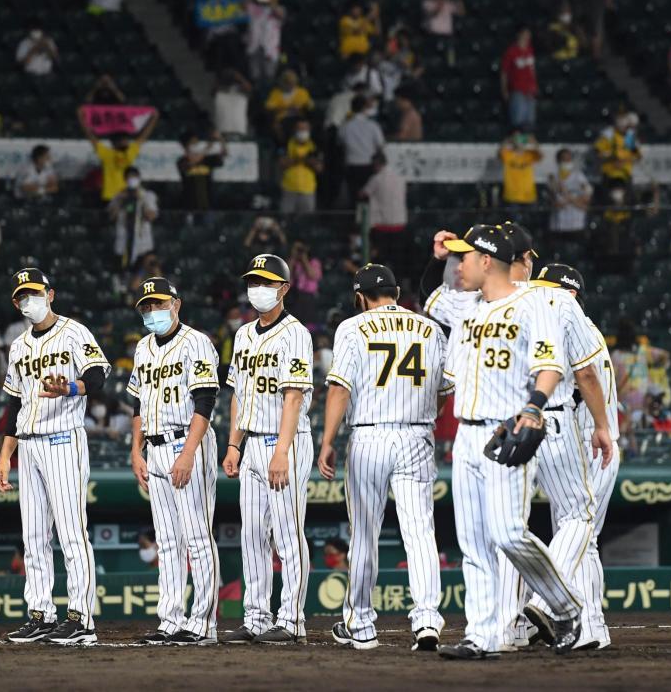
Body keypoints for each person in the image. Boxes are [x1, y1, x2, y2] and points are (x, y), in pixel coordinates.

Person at [422, 225, 601, 658]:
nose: (458, 265)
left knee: (508, 533)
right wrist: (437, 257)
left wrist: (535, 406)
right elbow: (431, 297)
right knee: (474, 542)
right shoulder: (469, 306)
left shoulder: (533, 303)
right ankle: (481, 636)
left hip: (507, 430)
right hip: (466, 435)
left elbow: (550, 365)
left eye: (464, 258)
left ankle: (564, 605)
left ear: (487, 261)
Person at [319, 263, 450, 651]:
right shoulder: (430, 328)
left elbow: (339, 389)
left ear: (360, 297)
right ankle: (427, 620)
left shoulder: (351, 328)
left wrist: (327, 440)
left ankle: (360, 624)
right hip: (416, 435)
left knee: (364, 535)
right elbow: (444, 390)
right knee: (420, 532)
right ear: (396, 292)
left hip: (370, 437)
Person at [0, 268, 110, 644]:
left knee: (72, 533)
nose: (30, 300)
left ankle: (82, 619)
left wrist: (72, 388)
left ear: (51, 294)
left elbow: (97, 375)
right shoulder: (17, 346)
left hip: (63, 440)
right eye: (23, 295)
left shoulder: (74, 331)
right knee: (34, 536)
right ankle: (41, 613)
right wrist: (4, 456)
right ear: (16, 303)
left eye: (35, 292)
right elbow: (14, 406)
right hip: (27, 445)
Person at [220, 254, 314, 645]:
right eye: (253, 280)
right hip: (252, 442)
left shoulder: (296, 333)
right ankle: (257, 617)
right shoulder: (242, 335)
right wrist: (233, 444)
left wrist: (281, 451)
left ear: (284, 288)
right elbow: (239, 396)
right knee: (253, 535)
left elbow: (293, 397)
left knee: (288, 534)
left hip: (283, 442)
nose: (258, 287)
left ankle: (291, 620)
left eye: (266, 281)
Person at [528, 263, 620, 651]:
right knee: (585, 540)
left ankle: (545, 602)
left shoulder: (572, 328)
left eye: (548, 289)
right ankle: (592, 628)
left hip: (590, 445)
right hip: (587, 444)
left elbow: (580, 385)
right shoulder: (579, 329)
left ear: (568, 294)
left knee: (577, 529)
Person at [129, 276, 221, 645]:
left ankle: (203, 624)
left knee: (198, 538)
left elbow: (205, 402)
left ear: (176, 304)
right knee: (167, 541)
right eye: (147, 306)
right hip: (154, 445)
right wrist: (135, 449)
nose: (153, 311)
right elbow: (137, 403)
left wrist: (188, 453)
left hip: (188, 442)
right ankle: (170, 620)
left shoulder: (196, 343)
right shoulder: (141, 348)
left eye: (159, 304)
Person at [79, 107, 160, 202]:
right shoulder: (107, 153)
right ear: (115, 143)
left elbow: (143, 137)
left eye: (126, 140)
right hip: (110, 197)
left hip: (126, 196)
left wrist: (153, 119)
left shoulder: (129, 153)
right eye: (123, 140)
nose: (126, 142)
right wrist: (81, 118)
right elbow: (90, 136)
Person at [359, 150, 408, 271]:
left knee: (380, 259)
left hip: (382, 225)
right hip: (399, 224)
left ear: (376, 164)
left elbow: (363, 194)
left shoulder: (376, 179)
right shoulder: (400, 178)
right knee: (396, 260)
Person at [338, 95, 385, 207]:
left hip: (352, 166)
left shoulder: (345, 126)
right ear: (365, 107)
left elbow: (340, 143)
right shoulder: (373, 126)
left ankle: (357, 222)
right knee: (369, 198)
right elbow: (381, 145)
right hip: (368, 165)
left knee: (355, 198)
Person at [109, 167, 158, 269]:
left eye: (134, 177)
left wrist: (141, 200)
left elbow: (151, 216)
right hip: (123, 243)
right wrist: (121, 201)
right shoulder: (118, 196)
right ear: (125, 180)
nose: (132, 180)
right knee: (123, 271)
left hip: (143, 244)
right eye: (129, 178)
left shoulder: (147, 195)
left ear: (139, 178)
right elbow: (112, 216)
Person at [177, 130, 227, 212]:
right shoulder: (181, 161)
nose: (196, 145)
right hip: (189, 205)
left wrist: (221, 139)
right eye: (193, 143)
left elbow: (224, 154)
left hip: (208, 204)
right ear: (186, 146)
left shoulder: (206, 160)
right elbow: (191, 162)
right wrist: (207, 149)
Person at [245, 0, 286, 85]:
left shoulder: (280, 9)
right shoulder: (255, 8)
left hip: (270, 50)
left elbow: (280, 14)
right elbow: (242, 6)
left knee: (269, 77)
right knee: (255, 77)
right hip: (255, 47)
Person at [279, 120, 322, 214]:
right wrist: (302, 160)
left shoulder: (314, 147)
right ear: (295, 130)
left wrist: (305, 161)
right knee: (286, 220)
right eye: (300, 129)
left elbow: (319, 168)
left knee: (306, 222)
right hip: (289, 189)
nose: (302, 131)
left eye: (305, 129)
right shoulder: (287, 144)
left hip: (308, 190)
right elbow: (282, 163)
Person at [548, 148, 592, 236]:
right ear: (558, 160)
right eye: (563, 159)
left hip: (577, 223)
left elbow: (586, 198)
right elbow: (554, 202)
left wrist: (568, 198)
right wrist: (573, 200)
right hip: (559, 224)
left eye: (569, 159)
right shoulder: (553, 176)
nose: (566, 162)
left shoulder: (579, 176)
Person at [501, 27, 538, 131]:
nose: (527, 37)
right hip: (517, 89)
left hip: (530, 90)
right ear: (519, 35)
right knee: (518, 120)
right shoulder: (511, 52)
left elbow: (532, 69)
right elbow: (504, 72)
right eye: (525, 35)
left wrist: (535, 85)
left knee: (530, 121)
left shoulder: (530, 50)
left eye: (529, 35)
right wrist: (504, 90)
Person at [594, 110, 642, 191]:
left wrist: (624, 161)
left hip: (625, 173)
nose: (624, 128)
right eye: (621, 125)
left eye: (626, 126)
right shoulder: (608, 135)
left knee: (627, 198)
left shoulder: (629, 138)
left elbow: (637, 156)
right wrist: (610, 158)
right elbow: (597, 152)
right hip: (609, 172)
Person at [498, 130, 542, 218]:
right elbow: (499, 153)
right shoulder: (508, 154)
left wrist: (533, 141)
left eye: (521, 138)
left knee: (531, 223)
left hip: (528, 194)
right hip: (512, 194)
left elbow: (540, 155)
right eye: (516, 138)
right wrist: (508, 140)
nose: (518, 140)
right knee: (513, 225)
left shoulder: (529, 154)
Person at [264, 69, 313, 142]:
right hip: (282, 119)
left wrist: (300, 108)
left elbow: (310, 105)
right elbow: (269, 108)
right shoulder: (276, 93)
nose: (290, 85)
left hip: (299, 117)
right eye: (287, 82)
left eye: (292, 82)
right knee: (277, 127)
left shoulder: (302, 92)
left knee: (303, 125)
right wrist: (285, 108)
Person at [421, 0, 465, 65]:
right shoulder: (427, 3)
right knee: (433, 62)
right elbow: (436, 12)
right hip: (434, 36)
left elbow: (462, 12)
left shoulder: (447, 2)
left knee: (449, 61)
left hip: (447, 36)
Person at [286, 241, 321, 327]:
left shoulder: (314, 262)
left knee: (308, 325)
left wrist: (304, 259)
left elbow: (312, 275)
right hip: (294, 297)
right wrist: (293, 257)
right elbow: (286, 277)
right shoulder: (292, 262)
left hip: (308, 297)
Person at [214, 68, 252, 138]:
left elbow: (249, 87)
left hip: (237, 128)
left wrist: (239, 77)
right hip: (224, 129)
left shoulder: (240, 90)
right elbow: (214, 91)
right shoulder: (220, 92)